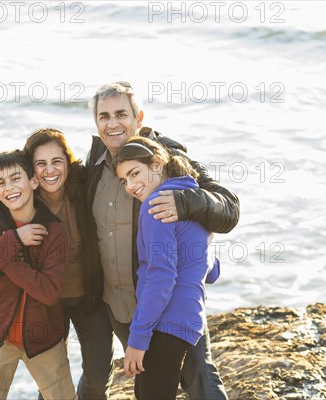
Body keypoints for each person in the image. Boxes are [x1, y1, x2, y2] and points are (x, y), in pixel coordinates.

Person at [85, 82, 240, 399]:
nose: (112, 124)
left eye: (121, 114)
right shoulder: (95, 163)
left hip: (166, 302)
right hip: (116, 303)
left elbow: (228, 208)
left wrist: (185, 203)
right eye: (104, 116)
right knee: (101, 379)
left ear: (138, 118)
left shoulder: (168, 158)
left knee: (198, 378)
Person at [112, 137, 221, 399]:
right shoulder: (191, 199)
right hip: (190, 318)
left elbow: (161, 277)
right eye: (124, 180)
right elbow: (212, 271)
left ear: (157, 164)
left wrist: (137, 339)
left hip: (165, 322)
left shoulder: (155, 205)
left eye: (135, 173)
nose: (131, 185)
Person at [0, 149, 76, 400]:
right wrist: (14, 240)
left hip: (44, 337)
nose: (9, 188)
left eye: (16, 178)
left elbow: (49, 292)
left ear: (33, 182)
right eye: (0, 183)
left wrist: (5, 258)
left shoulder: (53, 230)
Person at [24, 128, 114, 400]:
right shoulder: (22, 201)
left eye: (56, 161)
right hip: (47, 303)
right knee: (52, 385)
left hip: (91, 297)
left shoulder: (84, 186)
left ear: (67, 161)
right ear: (31, 170)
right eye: (41, 164)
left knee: (98, 379)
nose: (49, 170)